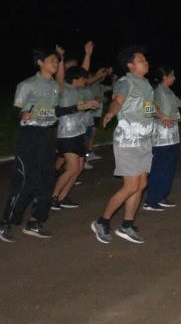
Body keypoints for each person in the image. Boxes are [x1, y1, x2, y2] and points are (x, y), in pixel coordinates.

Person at [2, 46, 89, 242]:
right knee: (27, 180)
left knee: (47, 181)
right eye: (52, 60)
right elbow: (14, 112)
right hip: (30, 136)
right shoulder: (27, 85)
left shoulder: (54, 87)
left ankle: (35, 221)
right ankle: (6, 222)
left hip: (48, 135)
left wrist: (77, 107)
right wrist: (21, 115)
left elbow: (54, 111)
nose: (56, 63)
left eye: (57, 60)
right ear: (40, 62)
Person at [92, 46, 157, 244]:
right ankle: (102, 221)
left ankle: (127, 225)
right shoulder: (125, 82)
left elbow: (148, 108)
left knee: (141, 185)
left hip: (144, 140)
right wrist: (111, 112)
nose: (146, 62)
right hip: (128, 141)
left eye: (145, 59)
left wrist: (162, 116)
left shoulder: (146, 84)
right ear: (130, 65)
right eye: (141, 60)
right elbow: (118, 100)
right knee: (131, 186)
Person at [143, 65, 181, 211]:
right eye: (172, 75)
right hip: (160, 137)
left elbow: (180, 103)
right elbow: (147, 108)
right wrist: (162, 117)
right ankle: (151, 201)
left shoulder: (168, 91)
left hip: (172, 135)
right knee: (159, 168)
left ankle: (162, 197)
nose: (174, 77)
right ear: (165, 77)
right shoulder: (156, 91)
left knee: (169, 168)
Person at [51, 66, 99, 211]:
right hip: (67, 134)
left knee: (78, 169)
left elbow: (79, 109)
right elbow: (59, 111)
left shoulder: (78, 91)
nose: (86, 81)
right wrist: (60, 59)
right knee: (72, 169)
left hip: (79, 133)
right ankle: (52, 197)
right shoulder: (64, 89)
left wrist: (89, 105)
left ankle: (62, 197)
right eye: (84, 78)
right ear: (75, 78)